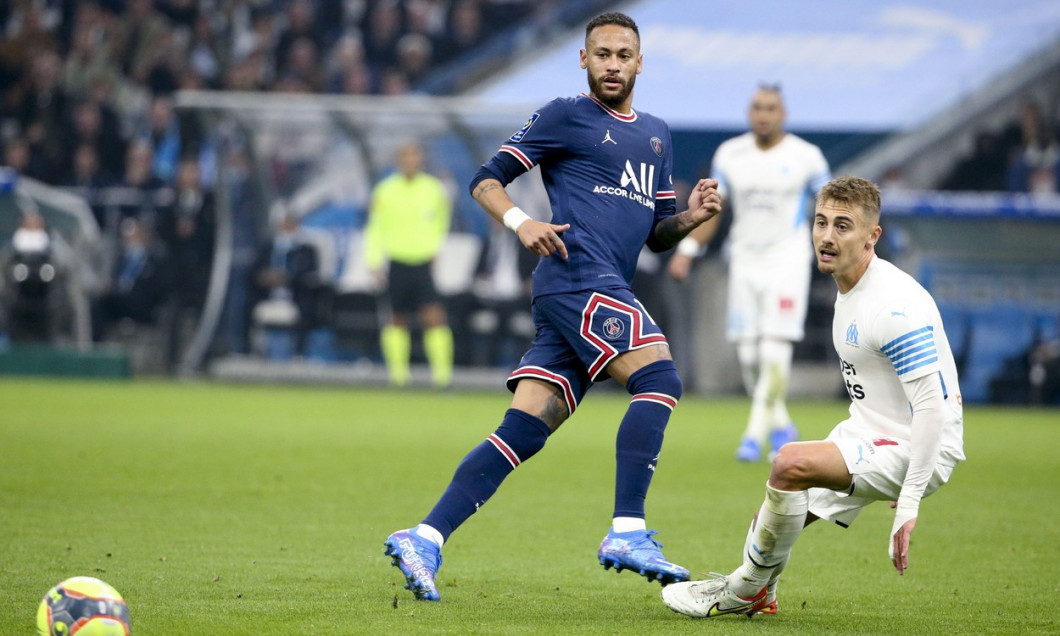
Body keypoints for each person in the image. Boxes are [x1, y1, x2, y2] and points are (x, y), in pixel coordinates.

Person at [384, 12, 723, 602]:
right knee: (661, 379)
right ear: (584, 60)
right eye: (602, 54)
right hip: (577, 278)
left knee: (526, 427)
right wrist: (522, 221)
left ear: (640, 62)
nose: (612, 64)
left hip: (597, 285)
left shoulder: (657, 134)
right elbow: (487, 179)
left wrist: (690, 218)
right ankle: (628, 530)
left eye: (623, 55)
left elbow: (656, 233)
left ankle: (425, 536)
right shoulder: (566, 114)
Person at [661, 176, 965, 618]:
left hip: (919, 441)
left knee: (789, 463)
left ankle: (740, 592)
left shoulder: (895, 308)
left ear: (871, 236)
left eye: (843, 226)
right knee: (773, 516)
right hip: (871, 429)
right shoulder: (848, 285)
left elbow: (934, 411)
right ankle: (761, 589)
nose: (826, 236)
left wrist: (911, 496)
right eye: (821, 222)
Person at [667, 84, 831, 462]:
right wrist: (688, 249)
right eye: (757, 107)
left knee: (773, 346)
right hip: (744, 260)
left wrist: (831, 251)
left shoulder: (807, 157)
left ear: (783, 114)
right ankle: (782, 425)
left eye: (771, 108)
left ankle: (754, 435)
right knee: (748, 355)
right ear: (749, 112)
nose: (764, 114)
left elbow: (830, 207)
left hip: (788, 260)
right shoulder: (730, 154)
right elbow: (714, 209)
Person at [364, 141, 454, 388]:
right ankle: (399, 376)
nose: (411, 161)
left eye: (415, 156)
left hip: (423, 261)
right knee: (396, 317)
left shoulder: (433, 189)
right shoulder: (385, 190)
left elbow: (442, 222)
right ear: (399, 160)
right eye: (406, 157)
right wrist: (373, 260)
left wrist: (436, 247)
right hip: (397, 260)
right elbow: (375, 227)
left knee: (434, 316)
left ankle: (442, 376)